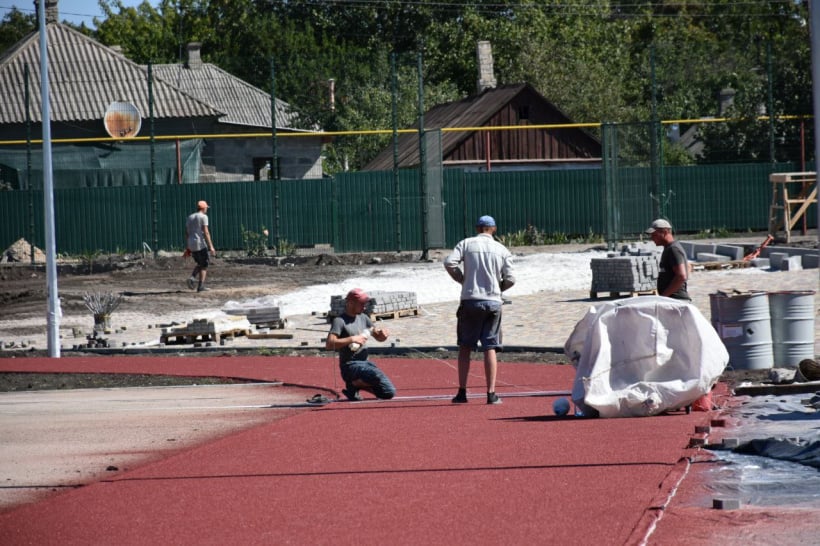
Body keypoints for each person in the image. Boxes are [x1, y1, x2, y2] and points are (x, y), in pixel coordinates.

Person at [444, 215, 515, 405]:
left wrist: (462, 279)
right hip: (493, 302)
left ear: (477, 228)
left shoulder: (466, 244)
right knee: (490, 346)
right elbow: (511, 278)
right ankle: (491, 393)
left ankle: (462, 392)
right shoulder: (501, 249)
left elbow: (449, 263)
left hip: (470, 300)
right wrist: (499, 288)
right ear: (494, 229)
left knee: (465, 346)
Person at [326, 288, 397, 401]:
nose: (364, 307)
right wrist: (352, 339)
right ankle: (353, 382)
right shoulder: (339, 321)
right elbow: (329, 344)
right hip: (350, 366)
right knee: (375, 374)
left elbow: (377, 336)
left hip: (365, 364)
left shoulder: (364, 317)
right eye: (362, 304)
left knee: (389, 393)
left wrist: (383, 335)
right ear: (350, 303)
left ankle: (354, 386)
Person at [645, 218, 691, 301]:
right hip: (672, 299)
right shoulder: (669, 248)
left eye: (654, 235)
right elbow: (688, 267)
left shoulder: (673, 249)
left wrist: (663, 297)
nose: (652, 238)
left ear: (665, 232)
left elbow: (681, 276)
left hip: (676, 300)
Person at [185, 200, 216, 292]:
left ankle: (192, 278)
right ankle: (200, 286)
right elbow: (206, 232)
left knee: (200, 263)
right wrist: (211, 246)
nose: (207, 209)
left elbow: (186, 232)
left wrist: (188, 247)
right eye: (206, 207)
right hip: (200, 243)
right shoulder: (203, 217)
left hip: (191, 243)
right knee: (205, 264)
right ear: (203, 208)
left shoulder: (190, 217)